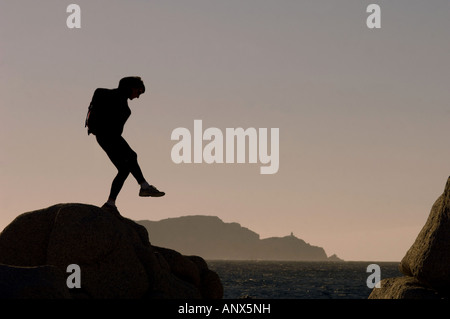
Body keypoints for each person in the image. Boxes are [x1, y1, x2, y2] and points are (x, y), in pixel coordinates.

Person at [86, 76, 165, 211]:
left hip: (102, 137)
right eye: (139, 92)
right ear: (131, 88)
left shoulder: (101, 92)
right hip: (109, 136)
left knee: (124, 169)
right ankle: (144, 187)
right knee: (131, 157)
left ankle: (111, 203)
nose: (138, 97)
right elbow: (117, 130)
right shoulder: (124, 108)